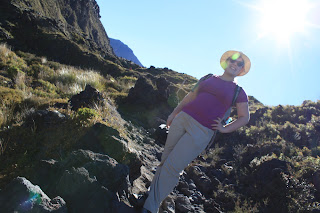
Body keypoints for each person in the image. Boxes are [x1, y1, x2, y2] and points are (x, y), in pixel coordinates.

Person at [142, 50, 251, 213]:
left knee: (173, 166)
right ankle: (152, 196)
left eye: (239, 63)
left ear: (242, 69)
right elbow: (190, 96)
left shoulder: (238, 92)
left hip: (202, 130)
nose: (235, 64)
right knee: (165, 161)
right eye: (232, 60)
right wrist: (174, 113)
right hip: (182, 119)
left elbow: (244, 117)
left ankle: (150, 207)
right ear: (226, 62)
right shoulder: (208, 78)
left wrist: (224, 129)